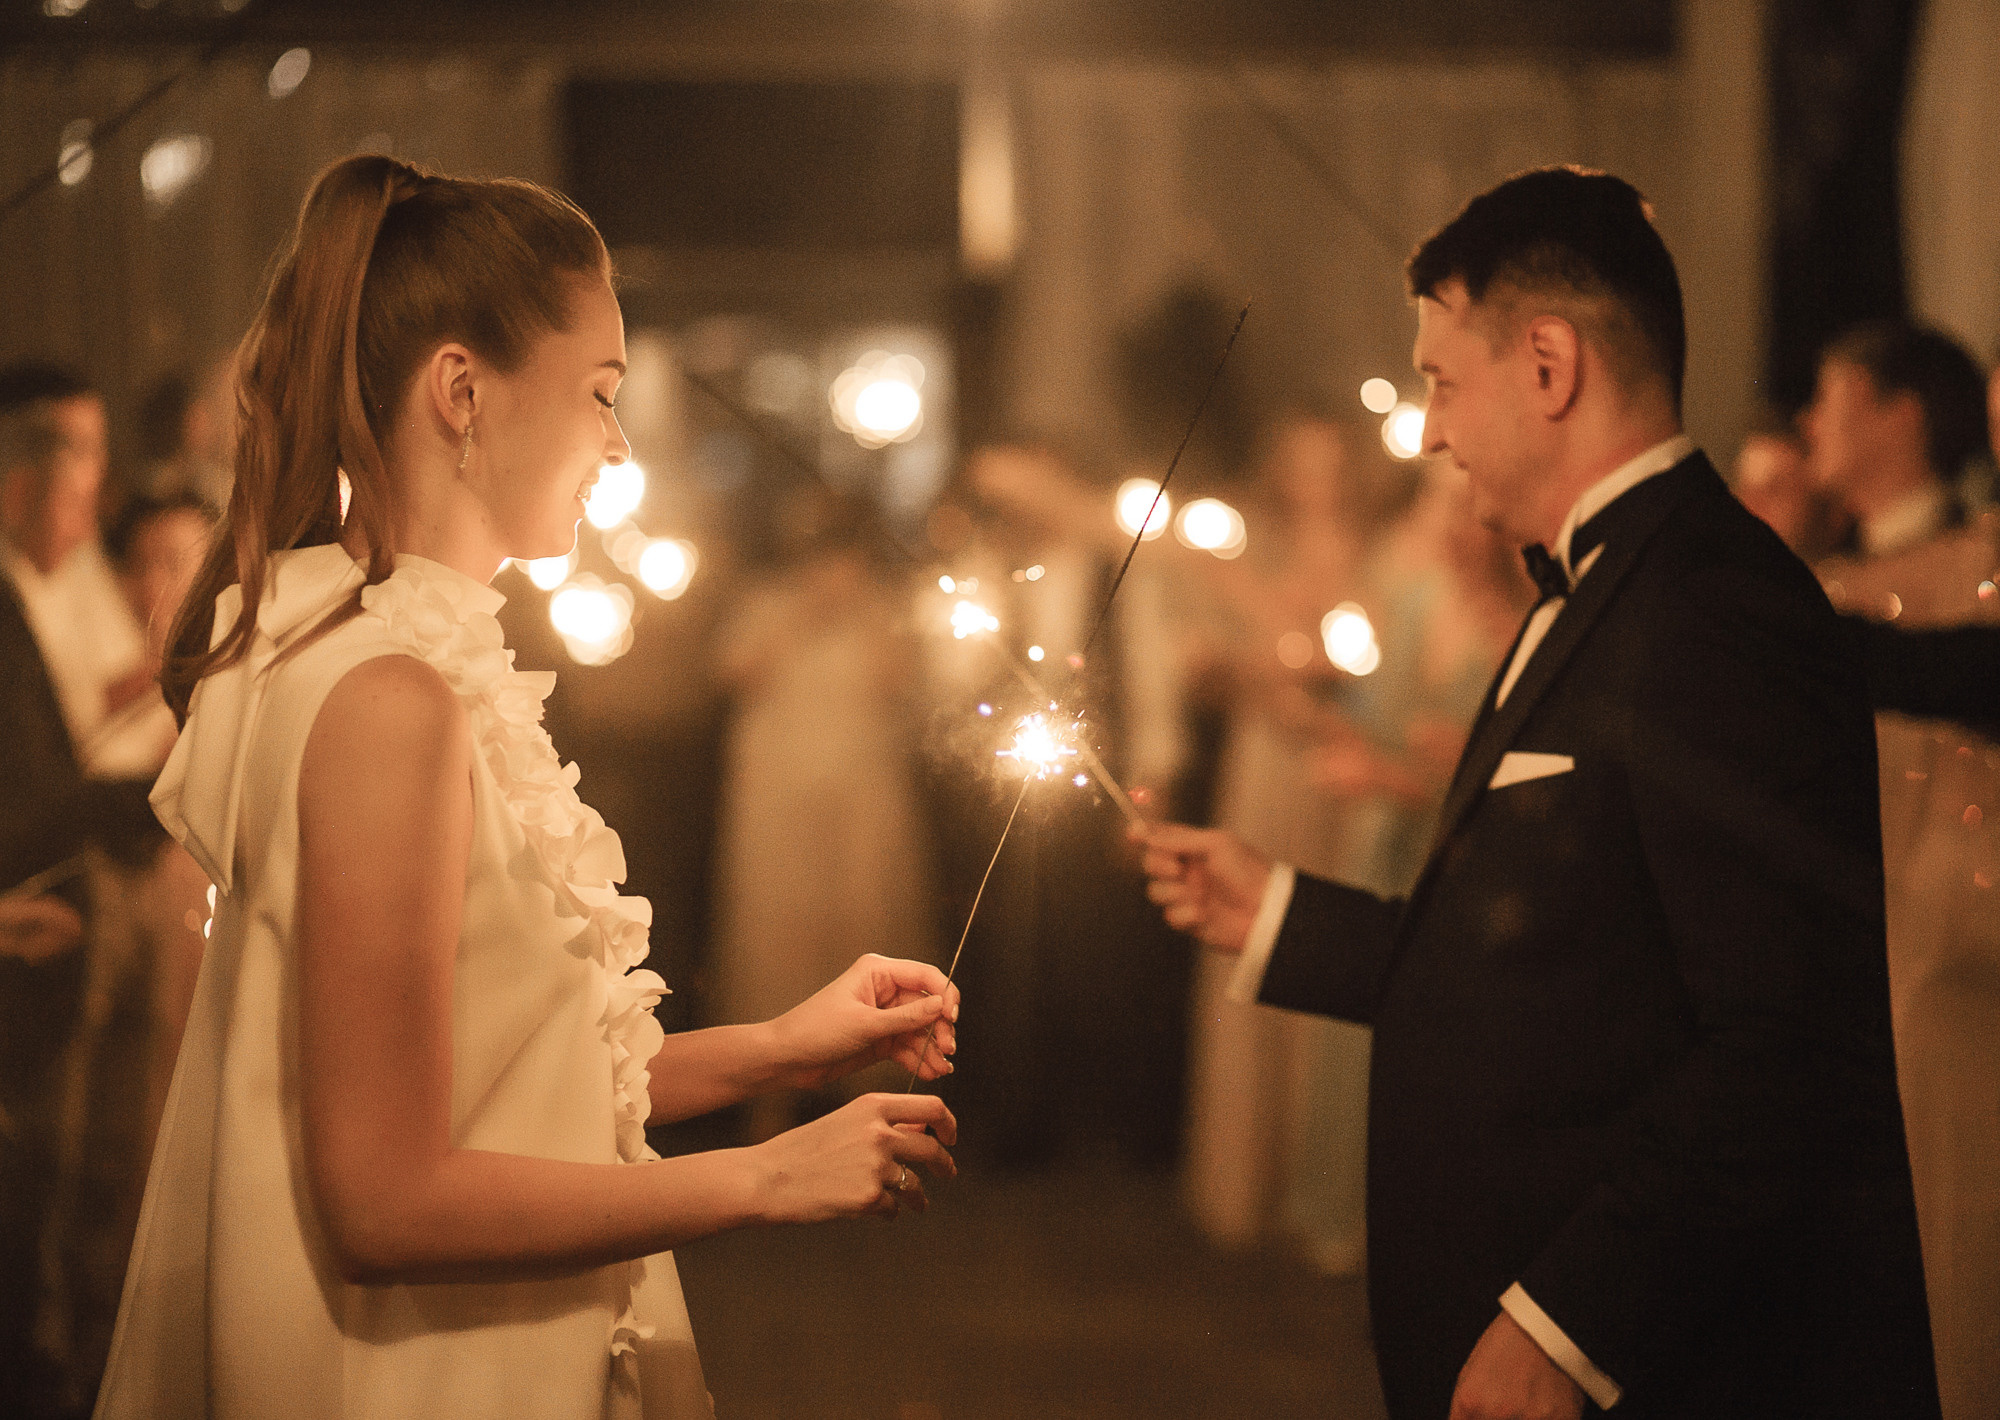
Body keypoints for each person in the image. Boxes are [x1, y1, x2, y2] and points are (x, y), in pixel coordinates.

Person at [94, 155, 962, 1420]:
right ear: (461, 390)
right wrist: (764, 1177)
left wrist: (782, 1045)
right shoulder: (383, 696)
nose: (614, 442)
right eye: (599, 392)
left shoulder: (389, 651)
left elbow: (502, 1076)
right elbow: (384, 1198)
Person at [1135, 167, 1937, 1419]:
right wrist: (1285, 914)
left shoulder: (1713, 606)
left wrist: (1566, 1326)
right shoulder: (1585, 588)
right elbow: (1553, 955)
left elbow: (1781, 1042)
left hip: (1666, 1361)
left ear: (1549, 365)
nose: (1432, 428)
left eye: (1442, 380)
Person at [1803, 320, 2000, 1420]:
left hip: (1959, 928)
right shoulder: (1836, 571)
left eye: (1831, 396)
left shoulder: (1970, 566)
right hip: (1866, 917)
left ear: (1900, 413)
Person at [0, 365, 164, 1420]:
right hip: (32, 925)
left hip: (84, 892)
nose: (92, 490)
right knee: (38, 1193)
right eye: (79, 456)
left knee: (97, 1172)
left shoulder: (52, 581)